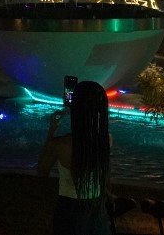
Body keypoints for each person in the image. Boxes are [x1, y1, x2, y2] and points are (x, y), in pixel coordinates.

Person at [37, 81, 111, 235]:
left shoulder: (61, 144)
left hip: (69, 209)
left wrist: (51, 130)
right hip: (97, 208)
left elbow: (42, 171)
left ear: (75, 107)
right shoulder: (107, 140)